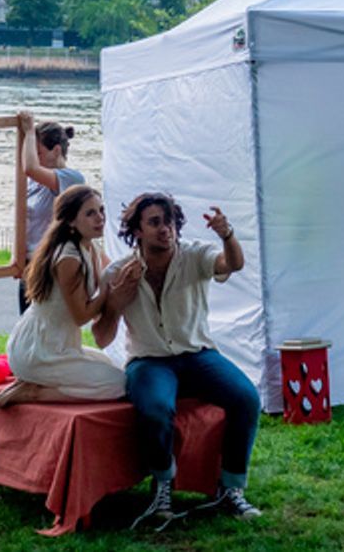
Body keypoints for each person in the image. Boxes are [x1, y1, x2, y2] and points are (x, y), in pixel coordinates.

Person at [95, 193, 262, 525]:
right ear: (137, 230)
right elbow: (101, 337)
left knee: (247, 398)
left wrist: (227, 234)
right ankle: (162, 486)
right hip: (149, 360)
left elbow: (232, 264)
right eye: (155, 222)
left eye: (169, 221)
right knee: (156, 408)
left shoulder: (194, 255)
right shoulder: (118, 272)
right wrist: (116, 302)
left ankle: (230, 489)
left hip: (198, 354)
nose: (165, 229)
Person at [0, 184, 125, 407]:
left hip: (63, 346)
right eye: (90, 213)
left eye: (101, 210)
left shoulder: (90, 247)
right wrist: (105, 290)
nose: (100, 218)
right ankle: (33, 392)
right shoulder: (68, 257)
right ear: (71, 221)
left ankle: (36, 382)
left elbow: (115, 273)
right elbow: (81, 316)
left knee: (116, 367)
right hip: (39, 351)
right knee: (119, 384)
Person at [17, 111, 85, 316]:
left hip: (52, 266)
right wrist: (17, 259)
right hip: (30, 267)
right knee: (27, 327)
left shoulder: (71, 178)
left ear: (56, 151)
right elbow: (23, 221)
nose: (34, 158)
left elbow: (29, 168)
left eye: (38, 153)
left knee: (47, 327)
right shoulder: (33, 183)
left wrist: (29, 132)